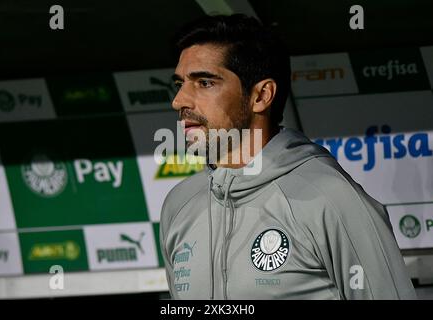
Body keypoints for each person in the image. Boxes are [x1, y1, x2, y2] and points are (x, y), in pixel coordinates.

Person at [159, 14, 416, 300]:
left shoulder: (332, 198)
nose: (179, 100)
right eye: (179, 83)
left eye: (204, 83)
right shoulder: (179, 205)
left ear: (261, 95)